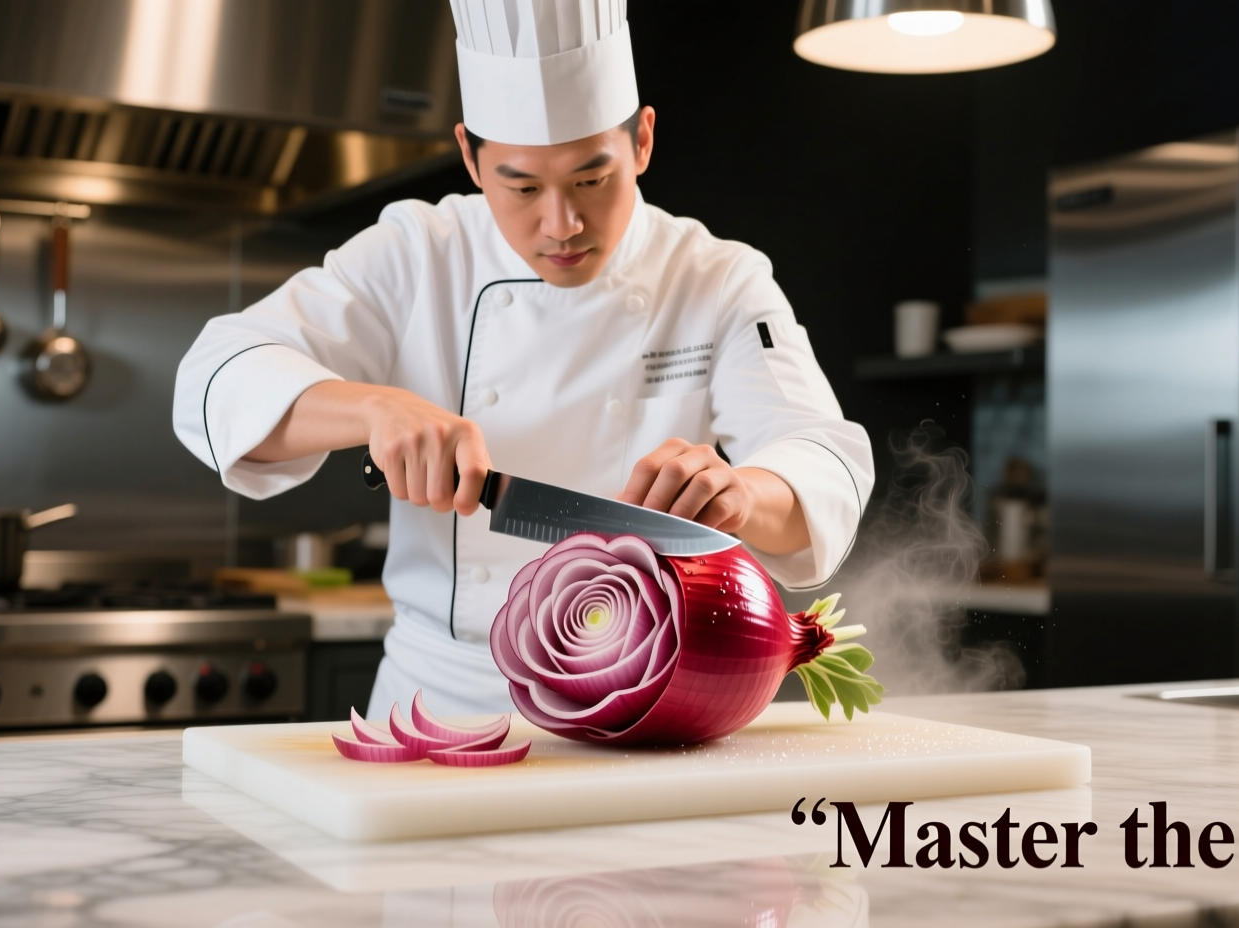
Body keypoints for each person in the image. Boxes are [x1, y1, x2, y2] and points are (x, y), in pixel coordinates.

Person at [173, 0, 873, 718]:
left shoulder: (715, 278)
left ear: (643, 142)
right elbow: (217, 372)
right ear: (471, 158)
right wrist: (374, 409)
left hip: (633, 703)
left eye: (592, 180)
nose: (561, 224)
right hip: (436, 703)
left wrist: (743, 494)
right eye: (523, 187)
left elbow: (823, 457)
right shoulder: (417, 253)